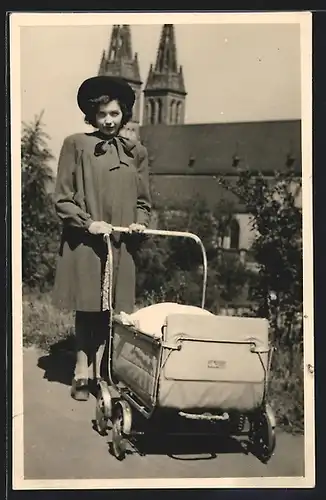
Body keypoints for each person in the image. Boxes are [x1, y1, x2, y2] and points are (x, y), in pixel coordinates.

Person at [52, 75, 151, 401]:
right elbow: (63, 198)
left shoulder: (137, 151)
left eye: (115, 114)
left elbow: (143, 202)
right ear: (92, 116)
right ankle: (82, 368)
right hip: (87, 239)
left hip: (122, 241)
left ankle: (107, 371)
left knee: (116, 310)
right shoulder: (75, 144)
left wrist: (140, 224)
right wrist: (88, 223)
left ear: (124, 114)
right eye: (102, 115)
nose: (109, 121)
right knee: (89, 306)